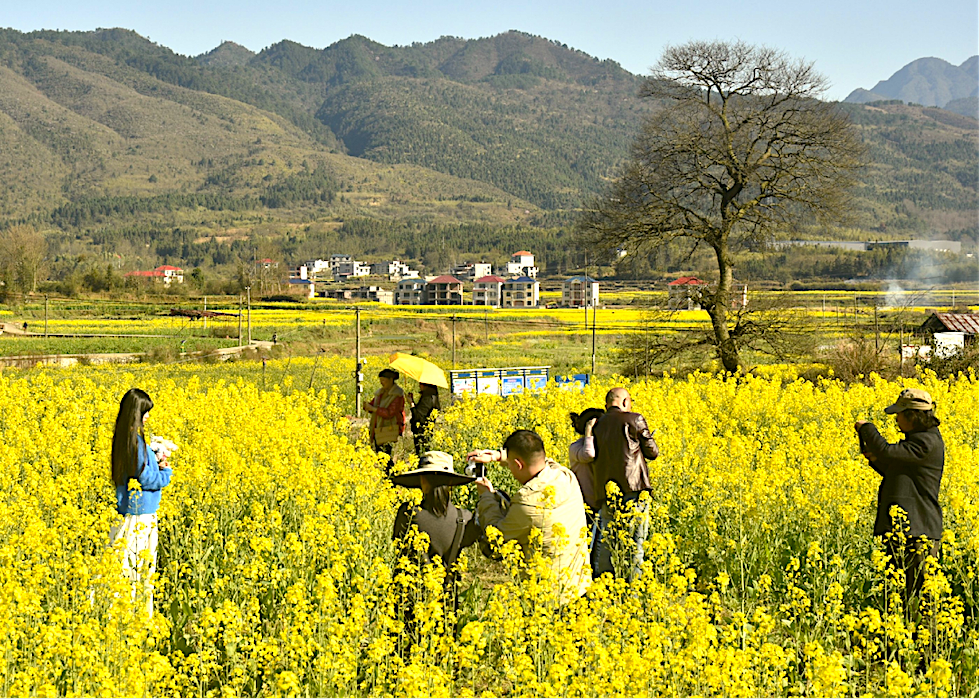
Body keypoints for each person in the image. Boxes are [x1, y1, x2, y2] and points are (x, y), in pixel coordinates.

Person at [468, 430, 590, 603]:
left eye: (510, 465)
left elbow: (497, 536)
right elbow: (544, 461)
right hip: (579, 586)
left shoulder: (528, 502)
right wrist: (498, 456)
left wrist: (486, 496)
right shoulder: (565, 476)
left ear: (518, 465)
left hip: (548, 597)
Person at [855, 388, 945, 604]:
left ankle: (926, 638)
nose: (896, 418)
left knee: (922, 600)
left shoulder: (926, 443)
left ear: (912, 416)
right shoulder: (918, 441)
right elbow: (897, 471)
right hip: (904, 530)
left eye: (899, 413)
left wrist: (867, 428)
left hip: (918, 533)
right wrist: (875, 459)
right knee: (898, 597)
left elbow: (887, 451)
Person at [110, 388, 172, 617]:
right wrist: (165, 471)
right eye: (145, 412)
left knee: (125, 568)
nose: (147, 417)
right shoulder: (136, 443)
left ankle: (123, 615)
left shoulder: (123, 439)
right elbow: (146, 479)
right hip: (141, 516)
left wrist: (154, 460)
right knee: (138, 570)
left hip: (129, 511)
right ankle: (134, 617)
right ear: (136, 413)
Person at [592, 387, 659, 580]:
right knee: (636, 539)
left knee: (607, 539)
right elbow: (652, 452)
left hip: (605, 490)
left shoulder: (597, 424)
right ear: (624, 402)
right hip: (634, 488)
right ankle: (633, 585)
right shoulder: (634, 419)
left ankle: (604, 583)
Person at [568, 408, 604, 565]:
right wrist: (589, 431)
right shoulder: (576, 447)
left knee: (599, 547)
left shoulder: (602, 446)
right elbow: (588, 454)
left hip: (601, 502)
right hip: (584, 503)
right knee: (586, 544)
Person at [365, 368, 405, 474]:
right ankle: (388, 478)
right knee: (380, 455)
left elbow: (389, 413)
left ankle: (392, 477)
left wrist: (373, 409)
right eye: (380, 380)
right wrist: (368, 406)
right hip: (378, 428)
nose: (382, 383)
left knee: (386, 455)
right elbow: (374, 406)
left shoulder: (398, 395)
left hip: (389, 428)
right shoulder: (380, 393)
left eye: (384, 380)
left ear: (391, 380)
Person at [407, 383, 441, 456]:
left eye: (421, 384)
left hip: (421, 431)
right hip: (428, 430)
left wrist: (411, 404)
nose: (419, 385)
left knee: (421, 454)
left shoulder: (427, 399)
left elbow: (418, 416)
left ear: (427, 386)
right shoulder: (434, 397)